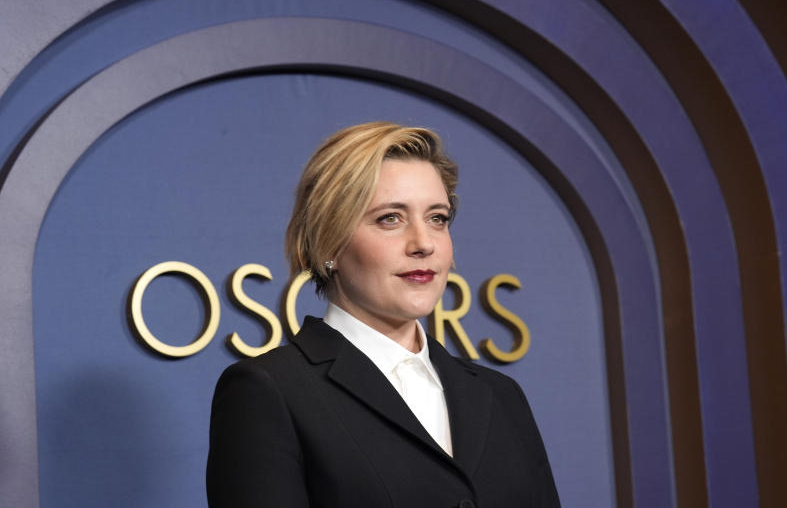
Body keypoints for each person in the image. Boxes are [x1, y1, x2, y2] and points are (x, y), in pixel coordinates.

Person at [207, 122, 560, 507]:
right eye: (390, 218)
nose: (423, 243)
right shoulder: (268, 391)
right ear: (329, 241)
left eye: (437, 218)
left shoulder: (501, 395)